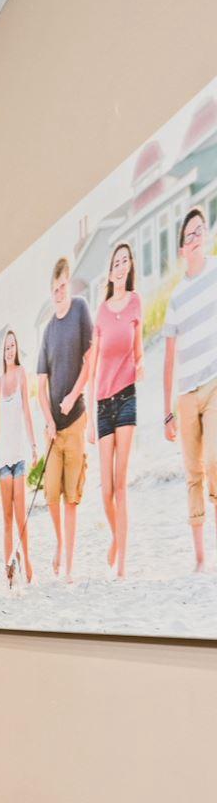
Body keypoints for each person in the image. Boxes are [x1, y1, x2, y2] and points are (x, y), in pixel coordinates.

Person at [163, 206, 217, 571]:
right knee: (193, 474)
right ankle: (200, 559)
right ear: (183, 249)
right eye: (189, 235)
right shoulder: (176, 298)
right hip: (185, 395)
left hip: (214, 385)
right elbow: (168, 359)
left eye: (200, 230)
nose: (196, 237)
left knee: (214, 461)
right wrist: (167, 411)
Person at [35, 256, 95, 581]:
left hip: (76, 422)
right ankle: (60, 544)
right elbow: (40, 386)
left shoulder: (81, 310)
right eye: (54, 289)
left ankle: (69, 567)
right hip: (53, 431)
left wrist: (73, 395)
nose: (59, 293)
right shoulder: (48, 331)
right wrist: (47, 419)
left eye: (63, 287)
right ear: (50, 291)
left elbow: (90, 360)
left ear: (68, 284)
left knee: (72, 498)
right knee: (51, 497)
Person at [90, 241, 142, 579]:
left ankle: (122, 566)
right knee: (105, 491)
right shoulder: (102, 312)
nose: (120, 266)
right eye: (116, 262)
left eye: (125, 261)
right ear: (110, 272)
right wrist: (89, 424)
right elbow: (95, 365)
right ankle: (116, 538)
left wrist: (140, 366)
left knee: (121, 486)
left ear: (129, 267)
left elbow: (139, 351)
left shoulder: (136, 302)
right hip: (102, 404)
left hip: (126, 398)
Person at [0, 329, 39, 585]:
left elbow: (28, 413)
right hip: (2, 461)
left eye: (13, 346)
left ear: (16, 349)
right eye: (6, 347)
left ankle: (27, 560)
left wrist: (33, 446)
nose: (10, 351)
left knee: (21, 515)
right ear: (3, 352)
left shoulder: (22, 375)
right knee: (7, 518)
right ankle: (9, 566)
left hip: (19, 456)